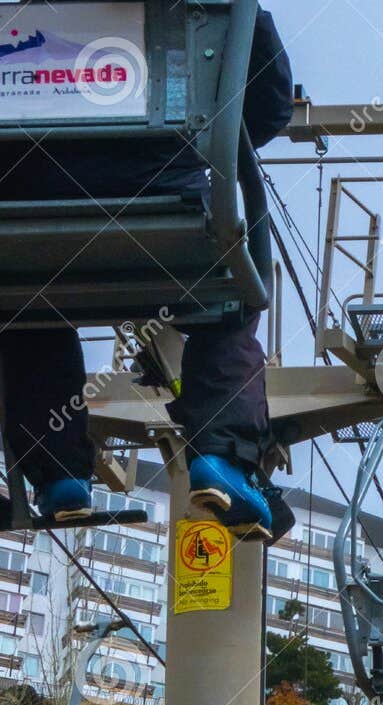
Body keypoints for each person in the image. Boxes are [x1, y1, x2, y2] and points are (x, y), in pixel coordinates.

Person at [0, 7, 292, 538]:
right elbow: (267, 110)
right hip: (164, 214)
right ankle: (222, 456)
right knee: (226, 303)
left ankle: (59, 472)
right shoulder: (207, 6)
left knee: (27, 313)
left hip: (22, 221)